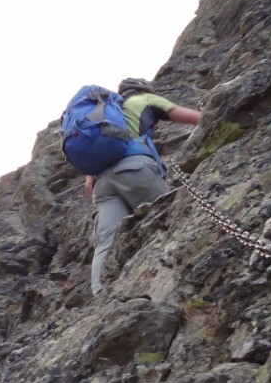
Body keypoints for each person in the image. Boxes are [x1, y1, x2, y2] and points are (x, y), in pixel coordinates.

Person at [86, 78, 201, 297]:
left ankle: (100, 296)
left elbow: (88, 185)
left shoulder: (101, 116)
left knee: (105, 243)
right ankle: (180, 278)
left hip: (102, 185)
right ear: (142, 89)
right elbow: (193, 117)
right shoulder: (144, 99)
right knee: (171, 220)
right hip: (135, 168)